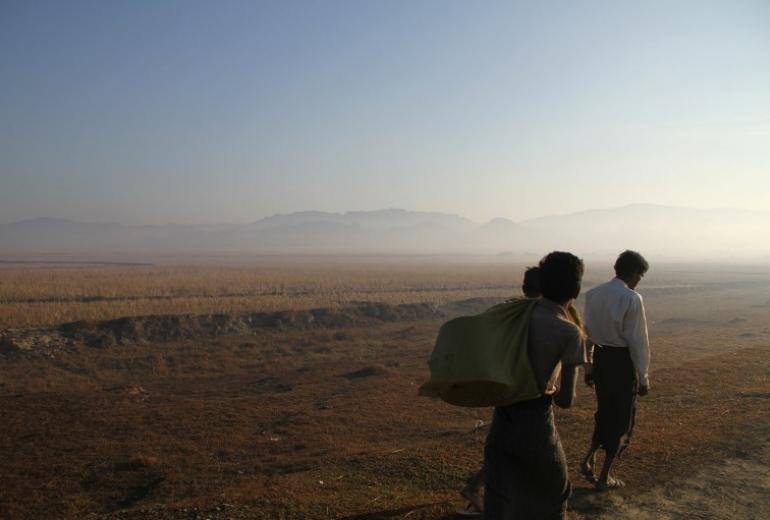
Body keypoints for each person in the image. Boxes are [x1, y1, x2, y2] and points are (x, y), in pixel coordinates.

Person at [483, 252, 587, 519]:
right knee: (555, 495)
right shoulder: (568, 331)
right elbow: (565, 401)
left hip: (501, 420)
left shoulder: (514, 315)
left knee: (499, 500)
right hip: (536, 425)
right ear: (575, 288)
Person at [458, 266, 543, 516]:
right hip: (526, 391)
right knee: (518, 449)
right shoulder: (539, 315)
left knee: (506, 447)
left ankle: (478, 489)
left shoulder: (508, 311)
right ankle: (479, 490)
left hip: (506, 388)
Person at [580, 250, 650, 491]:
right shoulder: (632, 298)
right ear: (633, 273)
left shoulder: (593, 294)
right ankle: (604, 476)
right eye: (640, 276)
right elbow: (637, 342)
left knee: (605, 412)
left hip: (600, 359)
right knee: (621, 419)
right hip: (621, 363)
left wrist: (588, 367)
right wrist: (643, 377)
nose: (638, 281)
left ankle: (588, 459)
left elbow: (587, 335)